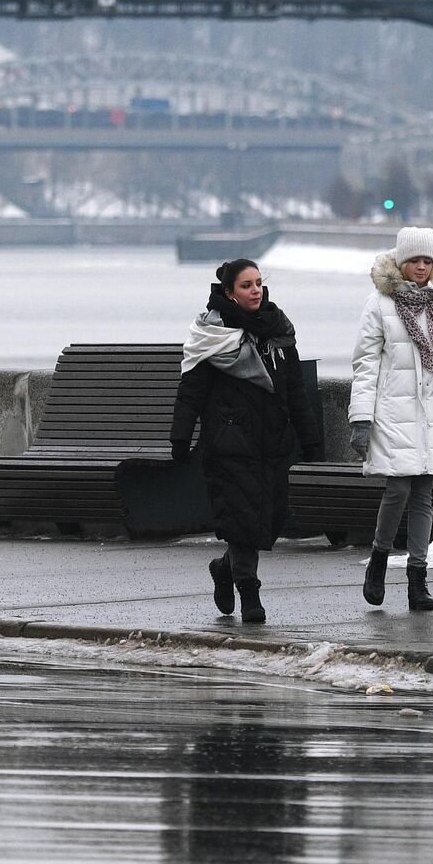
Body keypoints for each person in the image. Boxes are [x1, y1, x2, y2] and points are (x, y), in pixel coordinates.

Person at [171, 258, 323, 623]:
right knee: (242, 520)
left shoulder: (278, 332)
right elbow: (190, 392)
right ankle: (249, 593)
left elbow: (295, 392)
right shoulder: (213, 337)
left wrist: (311, 441)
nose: (255, 290)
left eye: (258, 283)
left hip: (273, 442)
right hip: (228, 444)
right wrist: (180, 438)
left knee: (264, 522)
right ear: (229, 292)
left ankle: (224, 569)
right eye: (246, 285)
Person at [347, 227, 433, 612]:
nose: (421, 267)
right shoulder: (379, 303)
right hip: (391, 410)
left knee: (423, 494)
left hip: (431, 409)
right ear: (401, 262)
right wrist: (361, 418)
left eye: (427, 260)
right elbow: (365, 364)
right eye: (414, 260)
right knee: (398, 489)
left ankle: (418, 580)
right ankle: (379, 560)